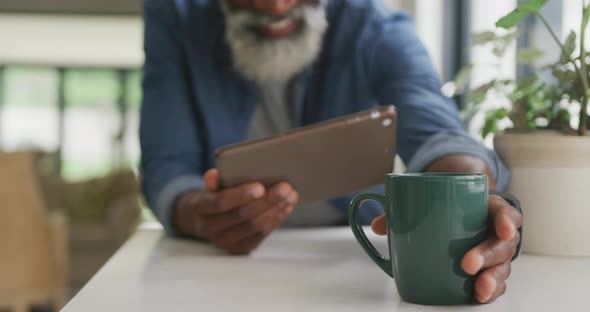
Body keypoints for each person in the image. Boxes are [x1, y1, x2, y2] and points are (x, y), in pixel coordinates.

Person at [140, 0, 523, 303]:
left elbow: (438, 130)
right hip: (214, 273)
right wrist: (199, 214)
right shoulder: (176, 16)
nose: (275, 6)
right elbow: (166, 168)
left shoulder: (374, 26)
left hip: (353, 255)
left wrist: (471, 192)